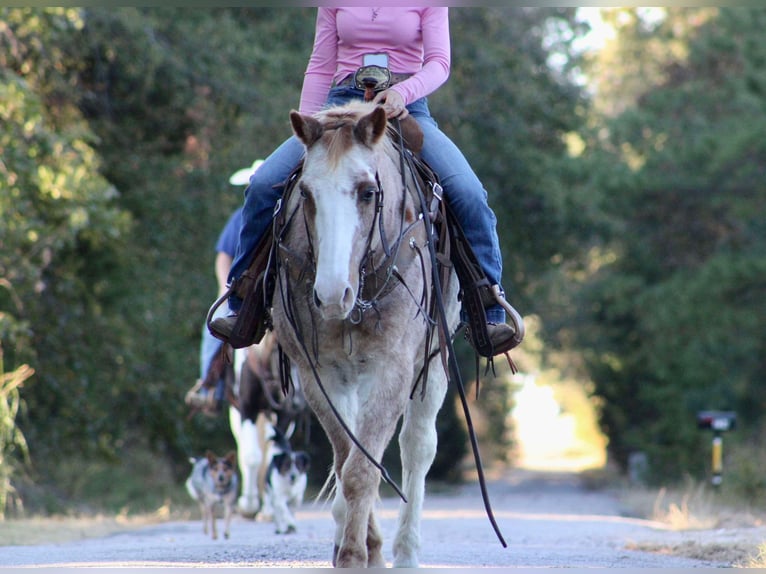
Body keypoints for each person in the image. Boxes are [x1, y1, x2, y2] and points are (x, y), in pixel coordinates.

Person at [210, 7, 523, 357]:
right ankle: (243, 297)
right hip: (339, 105)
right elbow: (320, 64)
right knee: (262, 184)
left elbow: (439, 62)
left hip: (405, 107)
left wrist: (404, 92)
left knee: (468, 192)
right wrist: (308, 135)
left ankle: (487, 306)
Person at [185, 160, 264, 412]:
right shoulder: (240, 218)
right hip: (244, 289)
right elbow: (223, 256)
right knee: (214, 325)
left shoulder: (285, 215)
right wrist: (224, 287)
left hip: (274, 290)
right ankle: (210, 387)